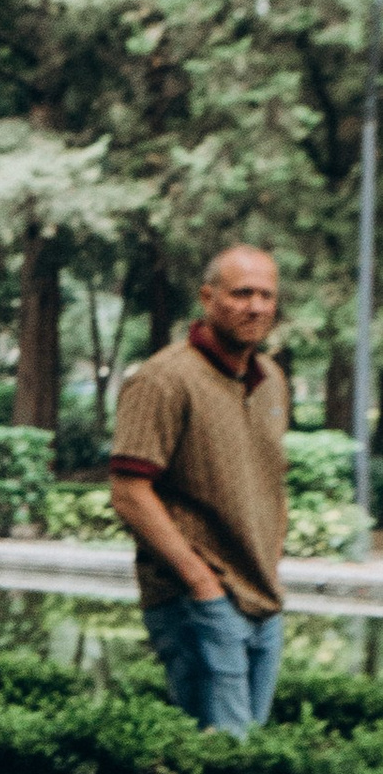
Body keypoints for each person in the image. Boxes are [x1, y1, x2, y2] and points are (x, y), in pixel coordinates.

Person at [110, 244, 288, 734]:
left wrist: (271, 565)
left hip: (263, 599)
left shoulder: (271, 379)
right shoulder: (164, 379)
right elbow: (129, 492)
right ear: (208, 298)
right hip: (199, 600)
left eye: (266, 295)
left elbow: (271, 483)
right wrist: (201, 583)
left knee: (245, 757)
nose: (256, 307)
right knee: (221, 758)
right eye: (241, 293)